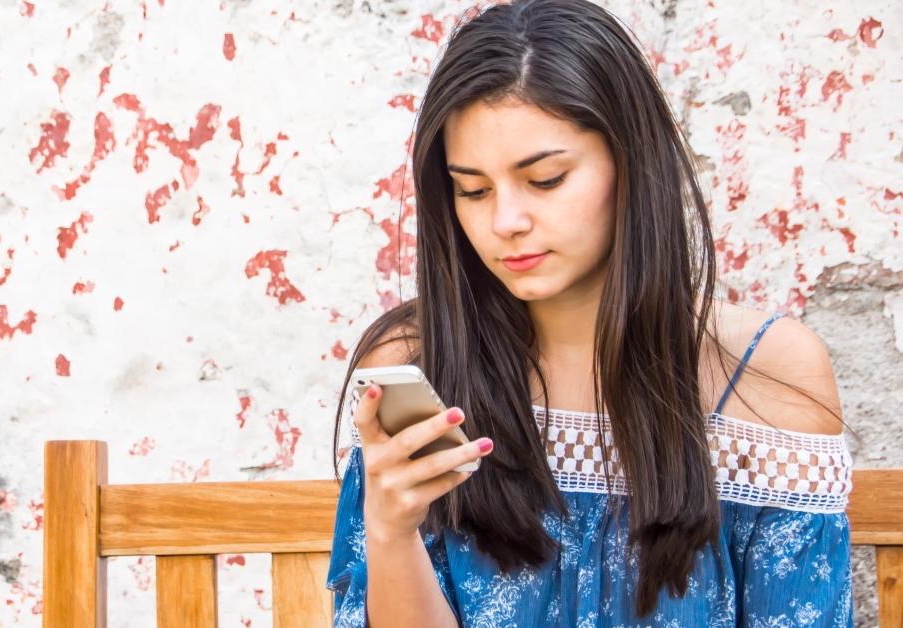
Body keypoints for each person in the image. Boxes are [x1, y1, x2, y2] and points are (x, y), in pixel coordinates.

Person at [325, 1, 855, 626]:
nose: (505, 223)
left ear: (631, 163)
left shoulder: (768, 377)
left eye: (546, 179)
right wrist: (390, 534)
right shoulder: (418, 364)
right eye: (472, 189)